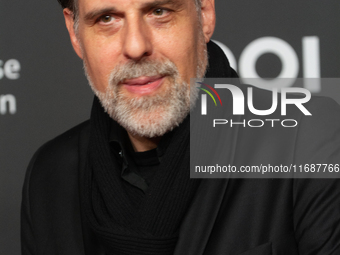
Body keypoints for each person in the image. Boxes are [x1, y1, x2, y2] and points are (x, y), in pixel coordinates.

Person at [21, 0, 340, 254]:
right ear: (75, 33)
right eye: (107, 19)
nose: (135, 46)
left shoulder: (306, 135)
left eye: (159, 11)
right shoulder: (50, 173)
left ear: (205, 13)